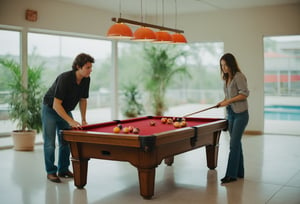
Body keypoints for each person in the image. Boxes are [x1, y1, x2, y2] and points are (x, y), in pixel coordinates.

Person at [42, 53, 94, 183]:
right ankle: (51, 172)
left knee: (66, 141)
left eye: (90, 67)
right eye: (87, 67)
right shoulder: (65, 78)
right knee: (50, 143)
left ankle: (63, 169)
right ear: (78, 66)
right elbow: (56, 104)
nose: (90, 70)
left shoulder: (86, 79)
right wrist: (71, 121)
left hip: (65, 110)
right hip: (50, 109)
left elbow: (83, 100)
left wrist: (83, 119)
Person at [217, 53, 249, 184]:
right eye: (221, 65)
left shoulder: (239, 76)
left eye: (225, 64)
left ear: (231, 63)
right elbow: (228, 98)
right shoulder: (226, 79)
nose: (223, 67)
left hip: (241, 115)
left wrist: (228, 101)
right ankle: (240, 172)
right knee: (237, 144)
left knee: (233, 144)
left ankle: (231, 175)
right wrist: (222, 102)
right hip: (230, 114)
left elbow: (244, 94)